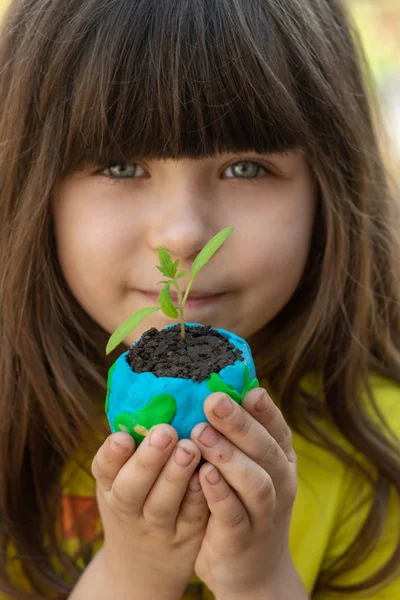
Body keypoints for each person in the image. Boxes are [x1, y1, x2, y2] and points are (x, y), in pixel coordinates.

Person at [0, 0, 399, 598]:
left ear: (331, 183)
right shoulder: (13, 430)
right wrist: (135, 572)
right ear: (32, 185)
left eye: (244, 167)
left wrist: (258, 578)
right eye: (120, 165)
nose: (185, 234)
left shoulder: (383, 445)